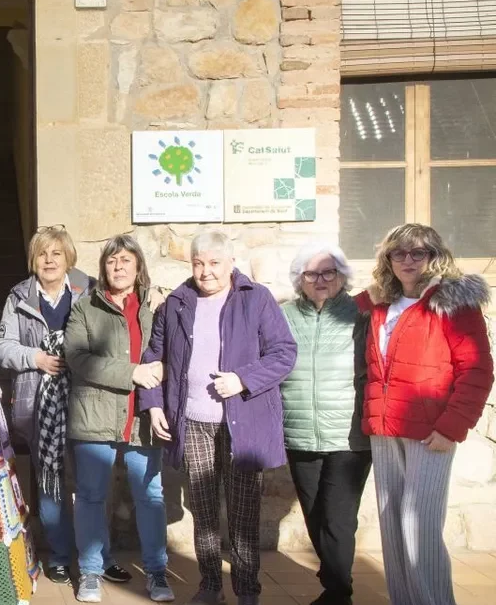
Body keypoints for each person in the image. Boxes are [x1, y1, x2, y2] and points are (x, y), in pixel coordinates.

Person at [138, 230, 296, 605]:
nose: (205, 271)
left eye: (214, 263)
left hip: (243, 424)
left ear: (230, 263)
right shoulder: (176, 303)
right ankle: (210, 585)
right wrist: (154, 405)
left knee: (243, 512)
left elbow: (284, 353)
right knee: (204, 510)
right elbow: (154, 358)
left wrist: (242, 379)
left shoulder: (255, 298)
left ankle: (246, 590)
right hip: (193, 421)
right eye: (198, 263)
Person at [357, 224, 493, 605]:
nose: (408, 260)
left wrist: (452, 428)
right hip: (385, 429)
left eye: (418, 253)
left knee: (419, 528)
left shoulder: (452, 304)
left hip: (431, 432)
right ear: (388, 259)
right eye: (398, 253)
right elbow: (333, 309)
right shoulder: (380, 302)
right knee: (393, 528)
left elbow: (477, 370)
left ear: (435, 257)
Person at [0, 225, 133, 586]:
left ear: (68, 258)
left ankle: (101, 558)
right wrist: (36, 358)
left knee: (92, 486)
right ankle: (58, 556)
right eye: (42, 254)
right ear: (33, 260)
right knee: (50, 484)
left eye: (56, 253)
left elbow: (109, 340)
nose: (49, 260)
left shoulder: (90, 290)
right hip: (39, 406)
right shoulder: (19, 296)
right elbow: (2, 347)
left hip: (87, 401)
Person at [64, 234, 174, 603]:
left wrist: (158, 373)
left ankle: (157, 573)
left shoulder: (157, 307)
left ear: (138, 266)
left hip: (142, 416)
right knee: (91, 497)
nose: (118, 267)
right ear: (103, 268)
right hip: (93, 417)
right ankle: (91, 572)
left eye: (126, 260)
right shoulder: (85, 309)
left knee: (151, 496)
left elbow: (173, 350)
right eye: (112, 261)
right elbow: (77, 358)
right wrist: (133, 372)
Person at [280, 243, 371, 605]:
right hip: (299, 429)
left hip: (349, 435)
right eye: (311, 273)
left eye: (328, 272)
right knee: (315, 515)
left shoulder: (360, 314)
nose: (320, 280)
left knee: (338, 519)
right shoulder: (284, 315)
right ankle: (335, 581)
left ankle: (338, 593)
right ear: (299, 279)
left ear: (342, 276)